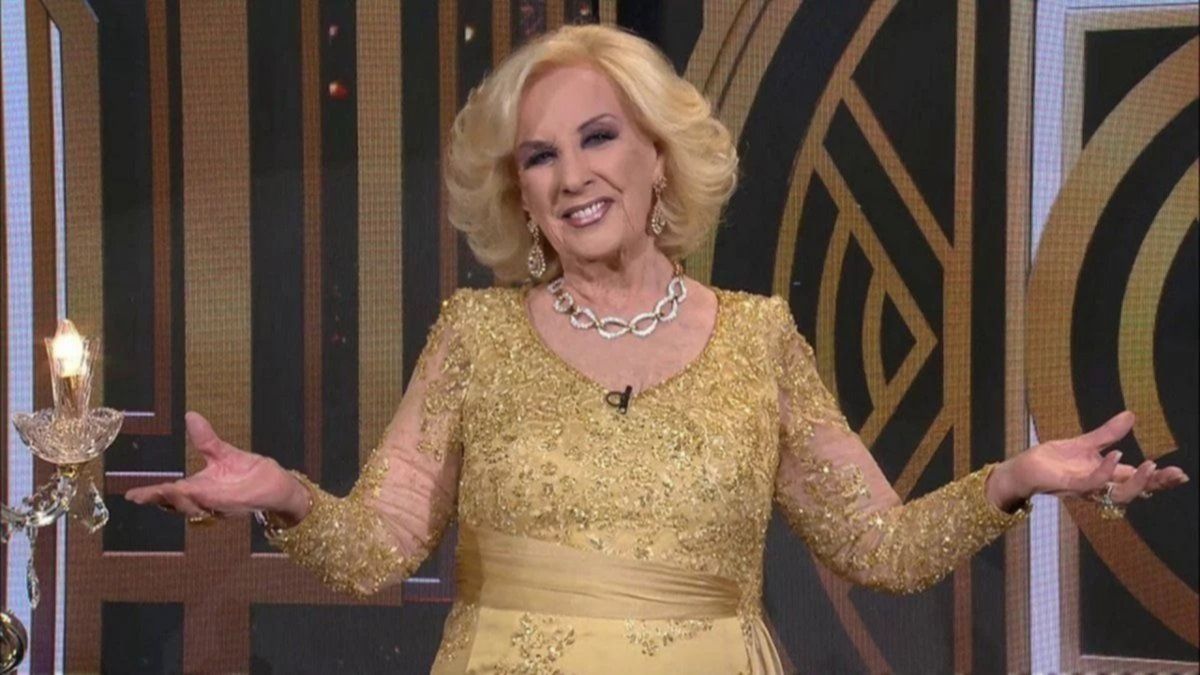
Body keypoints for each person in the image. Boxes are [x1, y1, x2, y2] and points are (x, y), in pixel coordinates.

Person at [126, 24, 1188, 674]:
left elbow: (881, 549)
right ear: (519, 195)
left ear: (656, 155)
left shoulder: (759, 337)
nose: (571, 176)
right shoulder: (474, 335)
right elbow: (377, 552)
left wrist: (1013, 479)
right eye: (539, 156)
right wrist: (285, 496)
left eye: (597, 136)